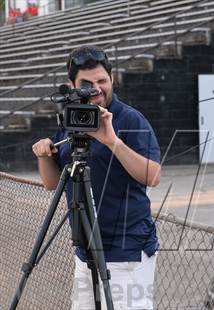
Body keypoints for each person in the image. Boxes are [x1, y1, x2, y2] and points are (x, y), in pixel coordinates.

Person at [32, 45, 161, 309]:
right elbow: (52, 183)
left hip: (126, 253)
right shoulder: (72, 119)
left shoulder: (130, 119)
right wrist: (43, 155)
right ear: (72, 85)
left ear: (112, 79)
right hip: (85, 251)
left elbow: (153, 176)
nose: (96, 89)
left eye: (102, 81)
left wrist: (112, 141)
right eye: (87, 84)